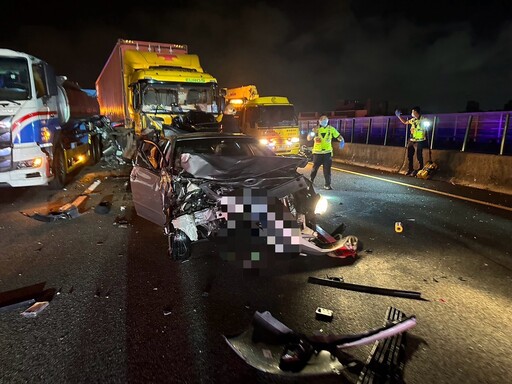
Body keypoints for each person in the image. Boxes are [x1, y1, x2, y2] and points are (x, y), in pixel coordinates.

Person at [307, 115, 344, 190]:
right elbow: (308, 138)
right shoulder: (315, 129)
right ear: (319, 121)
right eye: (322, 121)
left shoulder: (331, 129)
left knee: (327, 170)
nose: (323, 122)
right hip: (317, 153)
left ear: (327, 121)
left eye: (325, 121)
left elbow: (339, 136)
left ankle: (327, 185)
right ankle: (309, 183)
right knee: (314, 169)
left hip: (327, 153)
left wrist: (342, 140)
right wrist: (312, 133)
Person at [396, 106, 428, 176]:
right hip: (412, 139)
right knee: (409, 155)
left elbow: (427, 127)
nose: (412, 113)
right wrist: (399, 116)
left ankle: (420, 169)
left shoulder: (423, 120)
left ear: (416, 112)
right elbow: (405, 122)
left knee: (419, 155)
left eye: (413, 112)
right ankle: (410, 169)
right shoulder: (413, 120)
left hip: (420, 140)